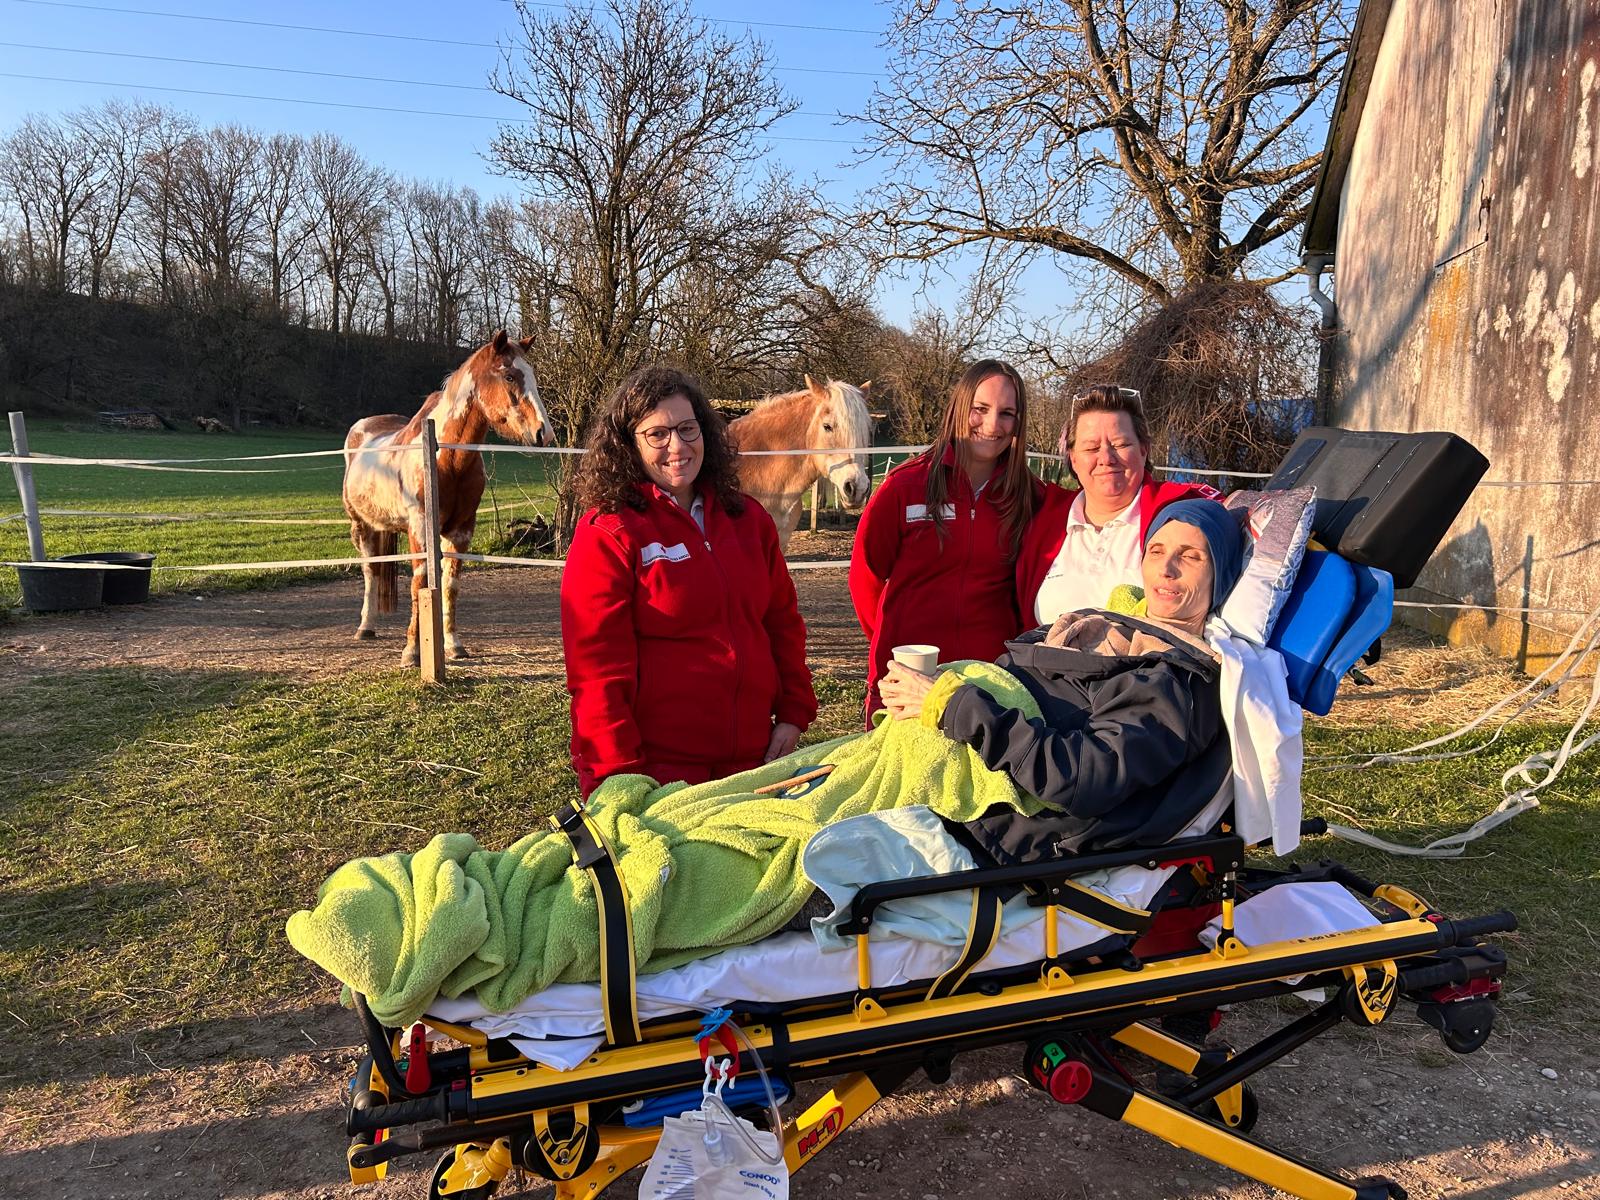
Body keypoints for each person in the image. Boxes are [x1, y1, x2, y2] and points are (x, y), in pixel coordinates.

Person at [879, 497, 1246, 864]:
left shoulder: (1172, 684)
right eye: (1156, 550)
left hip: (981, 829)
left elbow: (1081, 777)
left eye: (1191, 556)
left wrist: (953, 704)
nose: (1166, 568)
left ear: (1222, 574)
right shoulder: (1107, 628)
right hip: (943, 773)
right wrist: (923, 692)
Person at [561, 365, 817, 798]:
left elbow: (781, 624)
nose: (676, 446)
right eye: (657, 434)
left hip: (755, 765)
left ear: (707, 434)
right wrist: (618, 778)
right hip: (662, 775)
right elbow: (597, 672)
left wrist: (793, 713)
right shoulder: (609, 532)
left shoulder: (749, 520)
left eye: (687, 428)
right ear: (629, 444)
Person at [849, 359, 1042, 722]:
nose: (991, 424)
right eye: (980, 409)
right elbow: (865, 579)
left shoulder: (1030, 497)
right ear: (959, 408)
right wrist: (896, 643)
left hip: (990, 684)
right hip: (909, 677)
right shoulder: (904, 487)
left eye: (1007, 413)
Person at [1017, 386, 1219, 629]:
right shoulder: (1043, 515)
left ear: (1144, 450)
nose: (1106, 458)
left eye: (1120, 445)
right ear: (1073, 458)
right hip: (1039, 663)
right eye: (1091, 448)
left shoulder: (1176, 511)